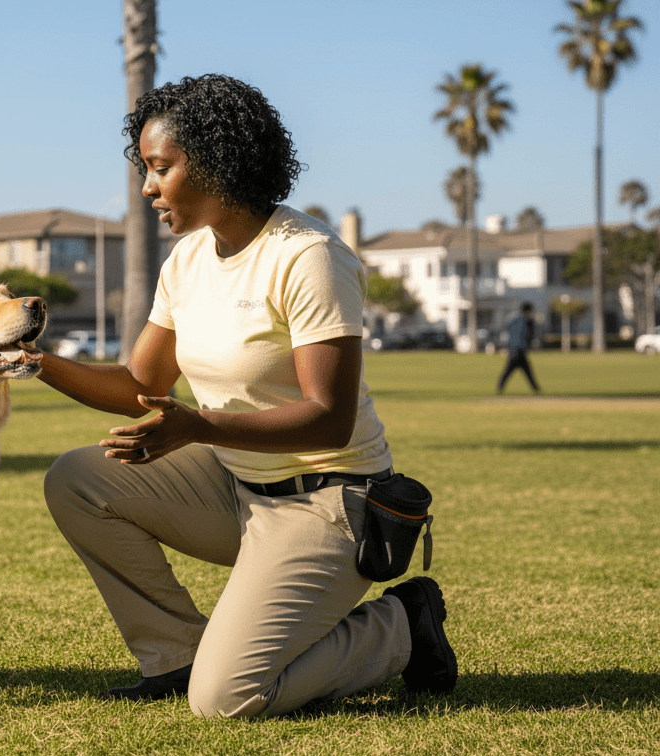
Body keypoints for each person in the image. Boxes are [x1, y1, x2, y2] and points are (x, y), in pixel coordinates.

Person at [39, 73, 456, 719]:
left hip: (328, 501)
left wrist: (198, 427)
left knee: (228, 700)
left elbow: (329, 418)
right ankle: (176, 656)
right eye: (145, 169)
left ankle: (401, 624)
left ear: (215, 162)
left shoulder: (308, 256)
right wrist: (33, 362)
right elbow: (141, 387)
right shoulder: (187, 261)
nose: (147, 187)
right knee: (78, 480)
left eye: (161, 168)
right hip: (237, 487)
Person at [497, 302, 541, 394]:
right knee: (521, 369)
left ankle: (500, 387)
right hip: (519, 349)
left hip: (513, 348)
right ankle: (535, 388)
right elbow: (525, 335)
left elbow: (506, 330)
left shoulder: (512, 318)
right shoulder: (525, 321)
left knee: (515, 369)